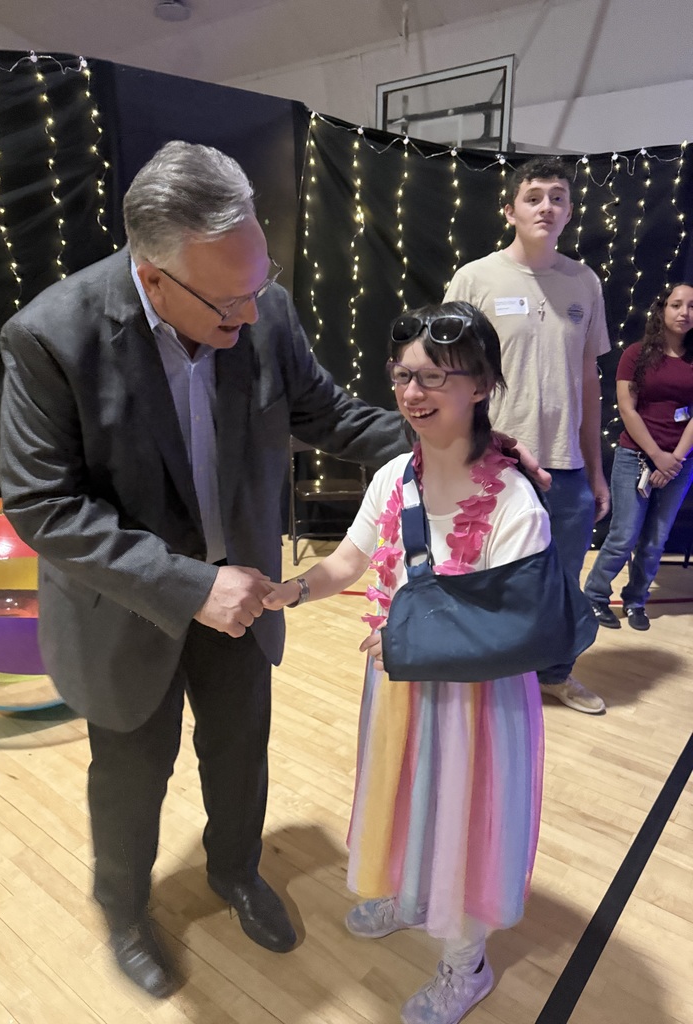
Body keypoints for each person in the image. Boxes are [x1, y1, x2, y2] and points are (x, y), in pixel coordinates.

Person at [0, 140, 409, 998]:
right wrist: (191, 585)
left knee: (239, 753)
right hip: (124, 611)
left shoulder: (265, 311)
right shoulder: (50, 337)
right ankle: (123, 907)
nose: (252, 316)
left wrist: (444, 447)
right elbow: (44, 508)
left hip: (246, 598)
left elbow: (324, 411)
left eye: (258, 289)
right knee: (131, 775)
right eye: (230, 302)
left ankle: (235, 871)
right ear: (154, 278)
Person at [264, 303, 549, 1024]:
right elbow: (351, 561)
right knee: (401, 799)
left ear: (481, 384)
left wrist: (406, 643)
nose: (413, 393)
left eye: (434, 378)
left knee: (464, 825)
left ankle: (466, 965)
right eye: (403, 376)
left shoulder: (516, 501)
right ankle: (409, 891)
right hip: (395, 687)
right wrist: (291, 589)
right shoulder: (396, 473)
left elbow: (514, 629)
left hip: (475, 705)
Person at [444, 156, 610, 715]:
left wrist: (595, 467)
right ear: (510, 208)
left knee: (561, 582)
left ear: (569, 210)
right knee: (489, 575)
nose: (547, 206)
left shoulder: (583, 281)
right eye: (534, 196)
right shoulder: (475, 278)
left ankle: (555, 674)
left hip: (564, 465)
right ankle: (490, 678)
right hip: (495, 461)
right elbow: (448, 374)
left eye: (557, 197)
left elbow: (589, 380)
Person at [584, 283, 693, 629]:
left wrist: (673, 458)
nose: (684, 312)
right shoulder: (636, 354)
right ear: (662, 310)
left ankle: (635, 601)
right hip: (636, 458)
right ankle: (595, 598)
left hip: (680, 462)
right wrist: (657, 456)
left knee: (655, 540)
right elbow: (627, 410)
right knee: (624, 535)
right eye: (677, 304)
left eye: (692, 306)